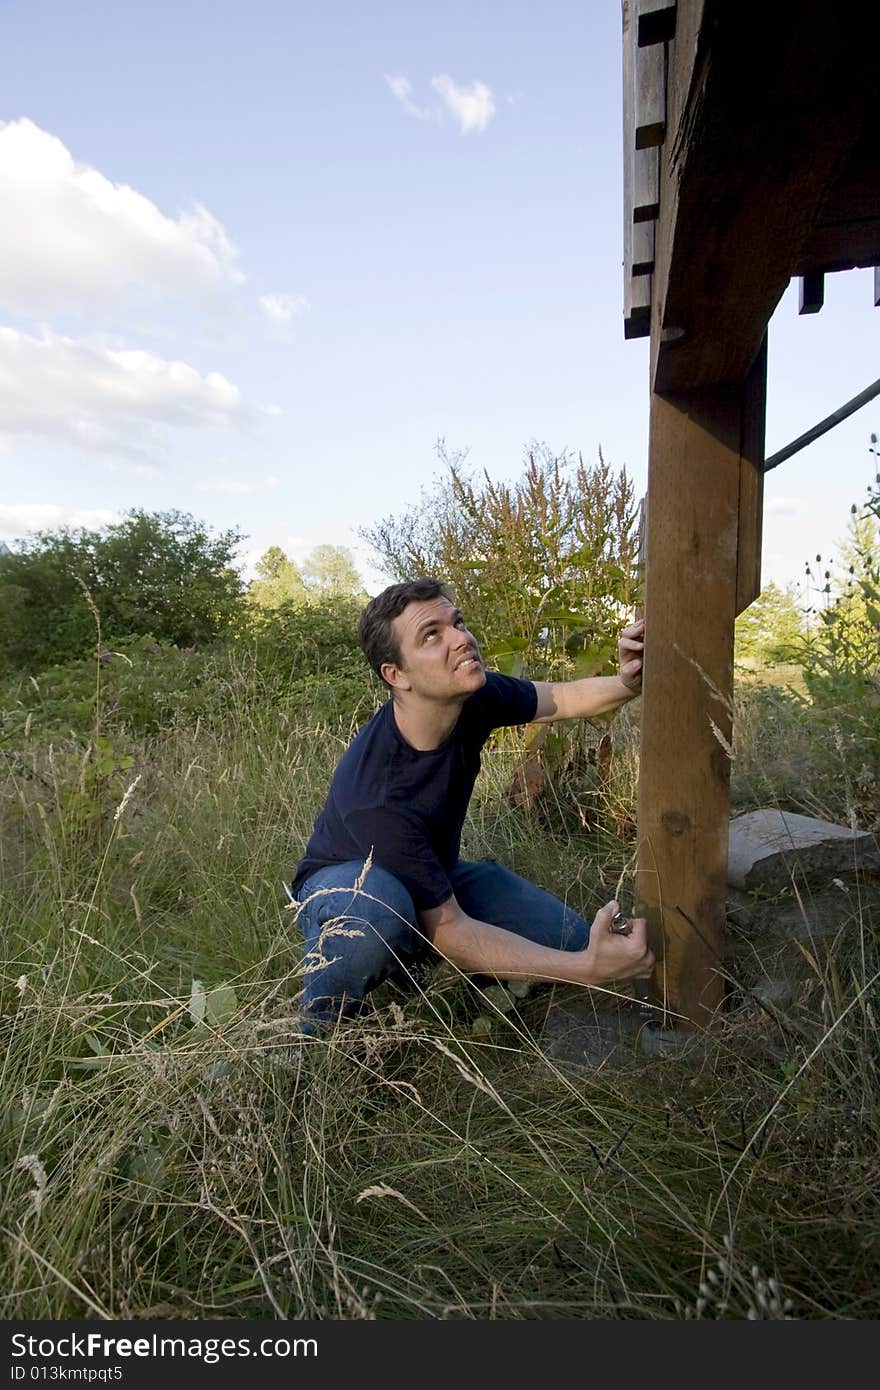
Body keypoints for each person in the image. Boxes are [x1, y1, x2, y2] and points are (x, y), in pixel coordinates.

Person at [289, 577, 653, 1030]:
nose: (462, 638)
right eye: (432, 635)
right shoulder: (377, 795)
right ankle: (320, 1031)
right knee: (376, 910)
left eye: (456, 622)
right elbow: (453, 930)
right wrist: (590, 971)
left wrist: (627, 682)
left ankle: (419, 966)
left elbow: (558, 698)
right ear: (395, 674)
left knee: (571, 941)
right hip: (348, 888)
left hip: (432, 876)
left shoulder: (472, 697)